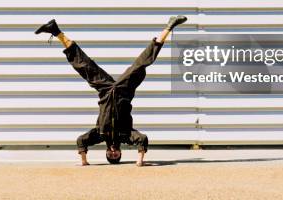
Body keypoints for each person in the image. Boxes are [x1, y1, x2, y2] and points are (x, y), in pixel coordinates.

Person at [34, 15, 188, 167]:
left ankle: (55, 30)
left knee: (83, 65)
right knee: (142, 63)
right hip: (124, 90)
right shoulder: (127, 135)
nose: (113, 153)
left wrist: (84, 161)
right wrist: (140, 161)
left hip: (105, 89)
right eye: (116, 156)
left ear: (106, 153)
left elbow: (81, 140)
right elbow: (142, 139)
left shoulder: (99, 135)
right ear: (121, 153)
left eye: (110, 156)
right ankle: (169, 27)